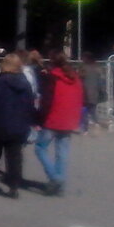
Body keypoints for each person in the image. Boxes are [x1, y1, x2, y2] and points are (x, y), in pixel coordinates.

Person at [0, 52, 35, 199]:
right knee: (15, 159)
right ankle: (13, 188)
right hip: (18, 126)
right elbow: (30, 106)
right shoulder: (26, 84)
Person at [34, 50, 84, 197]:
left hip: (54, 118)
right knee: (62, 152)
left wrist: (39, 118)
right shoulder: (74, 77)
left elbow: (46, 101)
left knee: (40, 148)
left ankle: (56, 178)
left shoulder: (52, 77)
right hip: (69, 119)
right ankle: (59, 181)